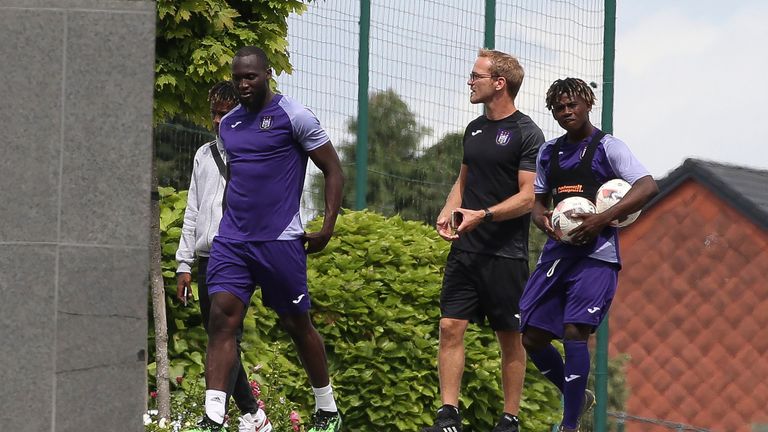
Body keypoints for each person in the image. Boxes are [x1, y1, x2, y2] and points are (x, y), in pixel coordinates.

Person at [186, 46, 344, 432]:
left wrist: (327, 225)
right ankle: (212, 418)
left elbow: (333, 169)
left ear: (268, 74)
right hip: (233, 241)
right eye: (238, 77)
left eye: (250, 77)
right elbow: (233, 180)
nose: (243, 84)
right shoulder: (229, 126)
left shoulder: (296, 116)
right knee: (221, 320)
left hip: (279, 241)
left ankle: (327, 409)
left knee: (296, 324)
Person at [520, 78, 658, 432]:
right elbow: (538, 205)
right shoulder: (548, 153)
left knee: (573, 332)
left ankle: (570, 425)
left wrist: (602, 219)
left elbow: (647, 186)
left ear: (588, 105)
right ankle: (577, 395)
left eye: (573, 105)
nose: (567, 112)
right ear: (553, 111)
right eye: (560, 107)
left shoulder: (608, 147)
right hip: (557, 255)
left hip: (598, 255)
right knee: (531, 336)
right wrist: (544, 221)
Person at [425, 48, 545, 432]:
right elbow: (463, 181)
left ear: (499, 83)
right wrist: (449, 210)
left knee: (510, 339)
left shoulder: (528, 133)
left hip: (505, 255)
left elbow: (529, 198)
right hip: (466, 251)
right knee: (449, 327)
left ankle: (509, 420)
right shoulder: (473, 129)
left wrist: (485, 215)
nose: (469, 81)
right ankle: (449, 417)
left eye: (476, 76)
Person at [175, 81, 272, 432]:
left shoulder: (255, 153)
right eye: (213, 114)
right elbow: (192, 210)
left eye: (224, 114)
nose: (217, 121)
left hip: (239, 257)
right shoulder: (203, 155)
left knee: (226, 335)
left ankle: (214, 419)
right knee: (218, 338)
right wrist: (183, 263)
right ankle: (253, 415)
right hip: (206, 257)